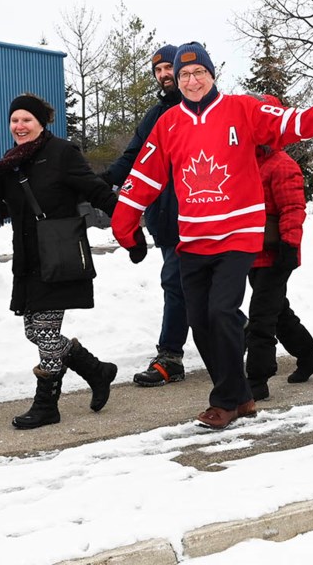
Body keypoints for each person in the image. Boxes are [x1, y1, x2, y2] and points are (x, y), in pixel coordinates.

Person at [111, 41, 313, 429]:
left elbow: (291, 123)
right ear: (176, 81)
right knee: (199, 320)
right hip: (193, 239)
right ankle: (242, 396)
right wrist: (124, 226)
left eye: (199, 73)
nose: (192, 81)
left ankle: (225, 400)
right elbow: (143, 176)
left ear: (212, 75)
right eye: (184, 75)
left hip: (240, 233)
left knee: (222, 312)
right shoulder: (168, 124)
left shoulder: (242, 109)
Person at [0, 93, 119, 429]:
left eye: (26, 120)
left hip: (58, 254)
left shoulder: (62, 153)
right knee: (34, 330)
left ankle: (47, 405)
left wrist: (126, 223)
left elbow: (94, 189)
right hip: (29, 258)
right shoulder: (11, 160)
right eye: (14, 120)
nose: (19, 126)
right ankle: (95, 370)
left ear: (41, 122)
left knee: (45, 332)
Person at [100, 44, 190, 388]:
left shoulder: (200, 111)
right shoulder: (154, 116)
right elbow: (133, 157)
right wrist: (102, 181)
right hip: (165, 217)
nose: (164, 75)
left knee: (183, 284)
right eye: (159, 70)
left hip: (200, 213)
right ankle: (247, 332)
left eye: (170, 68)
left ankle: (171, 354)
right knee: (182, 284)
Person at [245, 116, 313, 401]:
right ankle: (308, 355)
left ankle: (257, 378)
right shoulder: (246, 162)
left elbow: (293, 208)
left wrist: (290, 246)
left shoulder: (283, 165)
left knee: (261, 317)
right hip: (250, 253)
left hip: (276, 254)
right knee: (277, 312)